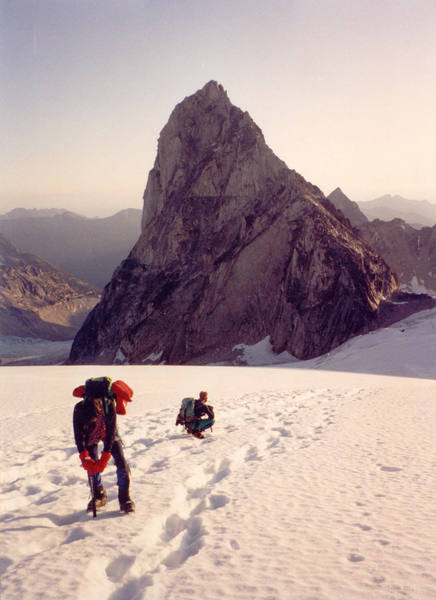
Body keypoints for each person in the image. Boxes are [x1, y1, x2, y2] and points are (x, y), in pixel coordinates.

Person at [73, 379, 135, 513]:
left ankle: (125, 498)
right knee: (92, 463)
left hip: (107, 432)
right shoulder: (78, 410)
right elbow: (79, 437)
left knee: (120, 461)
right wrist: (85, 458)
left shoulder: (108, 406)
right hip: (91, 435)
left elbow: (111, 432)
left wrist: (106, 455)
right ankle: (98, 494)